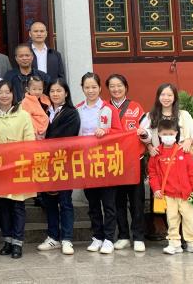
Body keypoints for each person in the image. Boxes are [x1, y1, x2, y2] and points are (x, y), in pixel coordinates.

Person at [76, 72, 122, 255]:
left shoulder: (109, 109)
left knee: (108, 203)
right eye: (87, 87)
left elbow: (119, 132)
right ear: (82, 89)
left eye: (94, 87)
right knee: (93, 203)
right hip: (87, 163)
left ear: (100, 88)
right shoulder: (78, 109)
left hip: (106, 161)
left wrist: (107, 132)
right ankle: (97, 236)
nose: (90, 90)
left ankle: (109, 238)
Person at [0, 79, 35, 259]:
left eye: (7, 92)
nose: (4, 95)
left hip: (18, 167)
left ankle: (17, 242)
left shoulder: (23, 115)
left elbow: (30, 140)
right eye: (0, 92)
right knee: (3, 206)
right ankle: (7, 240)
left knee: (17, 206)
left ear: (13, 94)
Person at [148, 118, 193, 256]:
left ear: (176, 134)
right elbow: (152, 174)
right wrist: (156, 189)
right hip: (168, 195)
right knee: (172, 220)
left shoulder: (183, 151)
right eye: (164, 134)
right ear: (159, 135)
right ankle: (174, 244)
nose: (168, 136)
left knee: (190, 220)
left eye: (171, 134)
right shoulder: (156, 154)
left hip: (187, 194)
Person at [37, 78, 81, 255]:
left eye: (59, 91)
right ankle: (53, 236)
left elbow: (66, 136)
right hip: (45, 163)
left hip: (64, 163)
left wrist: (45, 140)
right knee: (49, 201)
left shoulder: (71, 113)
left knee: (65, 201)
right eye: (52, 91)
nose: (55, 94)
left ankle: (67, 239)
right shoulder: (44, 111)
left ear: (66, 93)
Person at [106, 73, 147, 253]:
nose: (116, 89)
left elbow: (146, 132)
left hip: (135, 161)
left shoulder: (136, 107)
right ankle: (123, 236)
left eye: (119, 85)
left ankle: (138, 237)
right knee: (118, 201)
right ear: (108, 89)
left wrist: (144, 134)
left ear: (126, 87)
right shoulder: (104, 108)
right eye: (112, 86)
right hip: (114, 161)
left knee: (137, 200)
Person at [140, 83, 193, 155]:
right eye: (163, 95)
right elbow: (144, 137)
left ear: (175, 97)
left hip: (182, 156)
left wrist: (189, 141)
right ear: (158, 97)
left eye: (169, 95)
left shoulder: (184, 115)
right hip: (159, 157)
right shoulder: (151, 116)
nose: (166, 98)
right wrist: (150, 148)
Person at [20, 75, 51, 140]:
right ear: (27, 89)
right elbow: (27, 120)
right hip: (34, 132)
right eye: (34, 89)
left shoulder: (46, 98)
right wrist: (35, 133)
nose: (37, 92)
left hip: (47, 130)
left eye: (40, 89)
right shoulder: (25, 102)